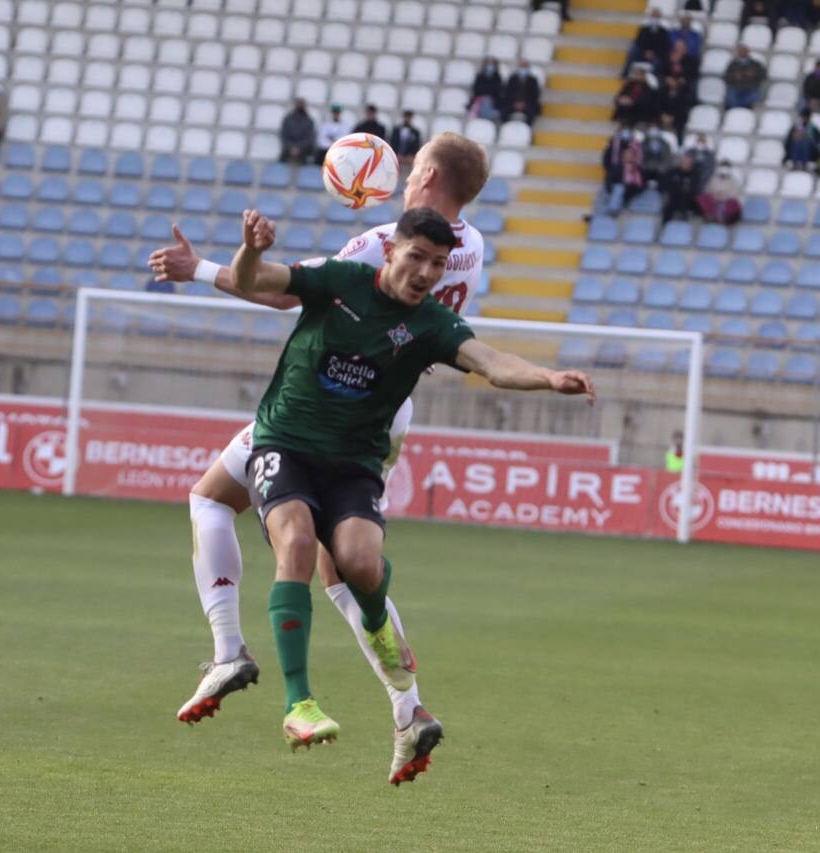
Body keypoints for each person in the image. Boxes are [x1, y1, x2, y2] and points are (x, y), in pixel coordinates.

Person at [148, 132, 492, 785]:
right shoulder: (468, 247)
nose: (406, 176)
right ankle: (408, 708)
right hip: (388, 409)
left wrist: (197, 267)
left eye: (416, 167)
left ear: (430, 176)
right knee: (345, 571)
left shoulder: (384, 244)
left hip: (332, 407)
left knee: (211, 499)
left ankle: (231, 652)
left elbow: (282, 291)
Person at [229, 206, 594, 779]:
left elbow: (492, 363)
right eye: (417, 257)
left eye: (438, 264)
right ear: (392, 251)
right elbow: (253, 281)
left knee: (359, 562)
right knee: (297, 545)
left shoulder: (432, 326)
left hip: (352, 464)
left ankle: (379, 623)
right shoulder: (340, 281)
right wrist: (250, 249)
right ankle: (298, 704)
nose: (426, 272)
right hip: (286, 446)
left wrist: (549, 378)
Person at [625, 9, 672, 74]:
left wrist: (654, 53)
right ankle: (625, 73)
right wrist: (645, 52)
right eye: (653, 16)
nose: (655, 18)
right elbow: (639, 41)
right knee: (633, 51)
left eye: (656, 16)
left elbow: (664, 45)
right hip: (643, 53)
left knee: (660, 60)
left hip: (657, 54)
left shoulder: (663, 31)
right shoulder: (643, 29)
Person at [724, 45, 766, 110]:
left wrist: (754, 75)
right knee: (731, 96)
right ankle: (737, 109)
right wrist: (734, 77)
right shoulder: (733, 64)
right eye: (741, 51)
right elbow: (726, 78)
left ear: (748, 52)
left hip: (751, 87)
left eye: (744, 51)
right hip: (736, 87)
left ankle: (739, 107)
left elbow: (763, 76)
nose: (742, 53)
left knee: (756, 96)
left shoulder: (755, 64)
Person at [605, 147, 646, 216]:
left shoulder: (638, 168)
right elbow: (609, 180)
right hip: (618, 188)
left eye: (630, 154)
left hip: (632, 189)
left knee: (621, 189)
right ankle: (613, 210)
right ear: (623, 155)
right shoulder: (616, 167)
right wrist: (611, 189)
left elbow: (642, 183)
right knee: (619, 188)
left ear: (634, 157)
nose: (628, 156)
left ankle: (616, 208)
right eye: (626, 154)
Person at [662, 154, 701, 222]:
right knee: (669, 207)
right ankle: (665, 224)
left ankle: (684, 221)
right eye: (684, 163)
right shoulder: (673, 172)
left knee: (695, 206)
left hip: (688, 198)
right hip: (674, 196)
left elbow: (695, 187)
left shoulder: (694, 174)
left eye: (687, 163)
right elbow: (666, 183)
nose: (685, 164)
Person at [503, 59, 542, 124]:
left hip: (527, 103)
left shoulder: (533, 80)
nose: (523, 68)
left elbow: (535, 94)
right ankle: (506, 127)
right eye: (521, 66)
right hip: (513, 102)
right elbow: (508, 93)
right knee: (504, 112)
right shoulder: (512, 79)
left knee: (531, 113)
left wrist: (523, 103)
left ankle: (527, 129)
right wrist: (515, 103)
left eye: (525, 66)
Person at [279, 98, 315, 164]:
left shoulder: (309, 121)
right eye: (298, 104)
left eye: (301, 104)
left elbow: (309, 138)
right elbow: (284, 136)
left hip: (303, 151)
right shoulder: (288, 119)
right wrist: (291, 148)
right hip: (288, 150)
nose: (300, 106)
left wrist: (299, 148)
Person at [471, 58, 505, 122]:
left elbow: (497, 91)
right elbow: (477, 89)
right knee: (485, 101)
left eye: (492, 64)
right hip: (480, 100)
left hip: (493, 101)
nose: (490, 67)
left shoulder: (498, 78)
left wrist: (488, 94)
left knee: (488, 102)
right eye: (488, 64)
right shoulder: (479, 77)